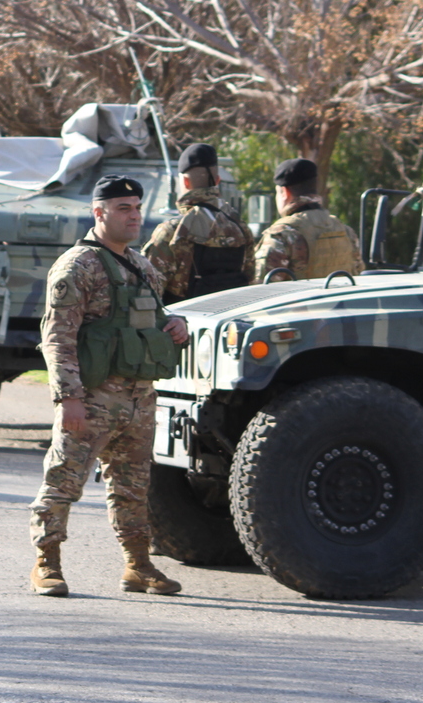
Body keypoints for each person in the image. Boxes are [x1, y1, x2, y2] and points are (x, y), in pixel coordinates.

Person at [30, 174, 189, 598]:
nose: (134, 216)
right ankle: (47, 563)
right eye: (123, 208)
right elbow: (57, 335)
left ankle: (138, 566)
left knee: (133, 488)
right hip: (93, 399)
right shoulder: (76, 266)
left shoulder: (142, 265)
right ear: (98, 213)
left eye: (137, 208)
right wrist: (68, 398)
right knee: (64, 480)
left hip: (138, 399)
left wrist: (175, 325)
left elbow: (149, 317)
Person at [141, 142, 255, 304]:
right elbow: (250, 281)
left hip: (182, 324)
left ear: (186, 183)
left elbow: (148, 290)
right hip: (229, 322)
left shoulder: (173, 231)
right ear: (217, 180)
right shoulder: (241, 228)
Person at [252, 158, 364, 283]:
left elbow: (261, 289)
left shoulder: (282, 234)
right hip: (339, 302)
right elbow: (358, 274)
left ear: (285, 192)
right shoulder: (345, 230)